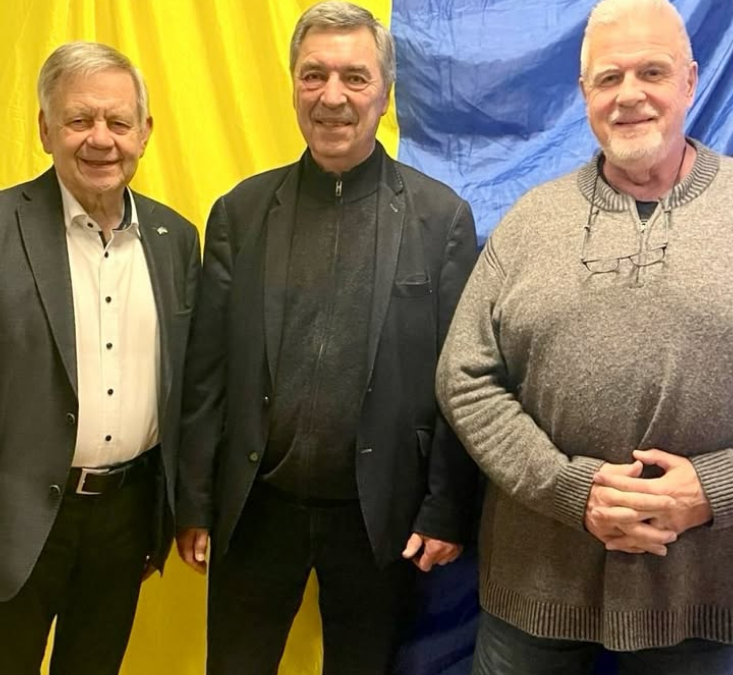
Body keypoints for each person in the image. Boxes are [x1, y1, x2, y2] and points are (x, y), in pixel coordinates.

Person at [175, 2, 478, 673]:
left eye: (354, 77)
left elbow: (460, 382)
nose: (332, 97)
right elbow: (207, 373)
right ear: (292, 86)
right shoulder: (239, 212)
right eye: (313, 75)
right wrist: (193, 500)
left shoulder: (440, 219)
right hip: (255, 509)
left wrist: (445, 508)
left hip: (379, 518)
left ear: (385, 94)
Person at [437, 0, 733, 673]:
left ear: (690, 80)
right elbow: (463, 374)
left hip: (700, 594)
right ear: (583, 93)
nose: (628, 95)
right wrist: (569, 489)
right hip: (536, 586)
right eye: (608, 77)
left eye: (651, 72)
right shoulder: (530, 219)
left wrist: (714, 488)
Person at [0, 42, 200, 674]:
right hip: (14, 520)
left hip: (126, 519)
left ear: (145, 132)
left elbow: (190, 383)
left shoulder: (176, 239)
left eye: (118, 121)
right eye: (79, 120)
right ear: (44, 130)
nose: (101, 139)